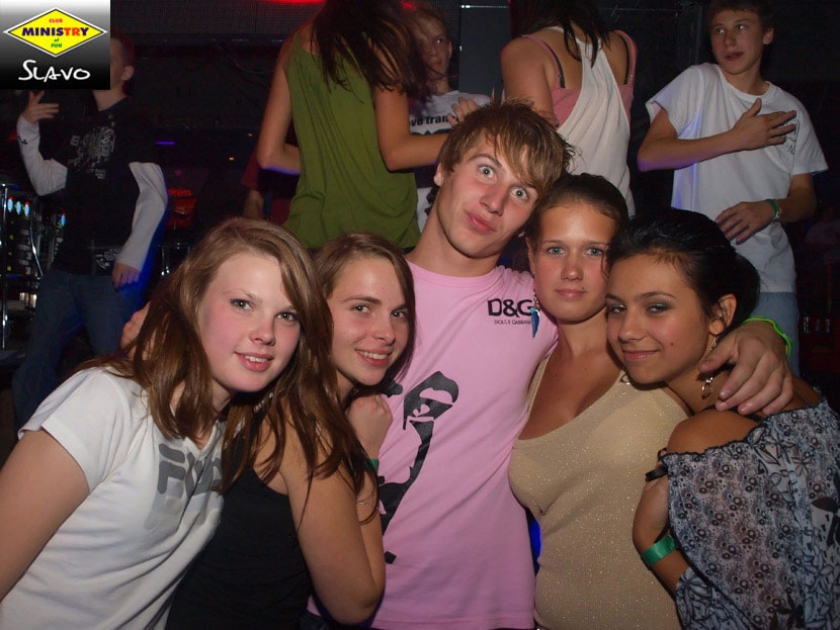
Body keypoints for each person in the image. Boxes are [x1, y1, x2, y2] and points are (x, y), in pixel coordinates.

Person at [304, 101, 792, 630]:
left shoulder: (539, 302)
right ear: (442, 167)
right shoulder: (364, 291)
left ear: (528, 229)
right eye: (485, 170)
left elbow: (671, 320)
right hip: (353, 592)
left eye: (521, 193)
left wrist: (764, 331)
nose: (495, 202)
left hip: (492, 609)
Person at [0, 218, 317, 628]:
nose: (266, 333)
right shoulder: (108, 402)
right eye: (242, 304)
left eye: (287, 315)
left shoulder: (229, 432)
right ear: (193, 302)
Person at [165, 232, 415, 628]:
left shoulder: (277, 394)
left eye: (399, 313)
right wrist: (367, 458)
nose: (388, 332)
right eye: (362, 308)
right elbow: (355, 602)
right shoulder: (306, 428)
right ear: (313, 310)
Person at [606, 210, 840, 629]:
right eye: (617, 308)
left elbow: (757, 620)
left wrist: (650, 542)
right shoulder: (796, 389)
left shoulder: (704, 439)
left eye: (656, 307)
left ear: (720, 314)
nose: (626, 329)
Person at [509, 174, 682, 628]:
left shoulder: (654, 353)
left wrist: (766, 333)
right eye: (555, 249)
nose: (572, 270)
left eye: (593, 251)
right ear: (530, 255)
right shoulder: (526, 372)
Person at [637, 0, 828, 374]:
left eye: (741, 26)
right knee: (703, 389)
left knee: (777, 390)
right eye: (719, 30)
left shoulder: (791, 109)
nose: (729, 40)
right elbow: (649, 156)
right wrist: (736, 138)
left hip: (770, 276)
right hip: (701, 274)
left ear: (767, 34)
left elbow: (805, 199)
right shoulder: (699, 81)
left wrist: (771, 208)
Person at [11, 29, 168, 429]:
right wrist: (27, 130)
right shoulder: (84, 126)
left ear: (126, 71)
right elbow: (46, 182)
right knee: (34, 365)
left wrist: (132, 256)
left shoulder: (133, 119)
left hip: (108, 273)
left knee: (117, 369)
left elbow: (154, 193)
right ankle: (37, 446)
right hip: (66, 268)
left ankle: (128, 447)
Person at [256, 0, 477, 250]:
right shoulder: (384, 36)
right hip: (379, 233)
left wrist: (334, 164)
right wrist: (478, 139)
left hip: (312, 235)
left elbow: (269, 155)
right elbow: (396, 153)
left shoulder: (293, 45)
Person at [501, 0, 637, 213]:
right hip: (617, 211)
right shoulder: (622, 44)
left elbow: (531, 154)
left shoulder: (525, 51)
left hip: (561, 215)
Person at [405, 1, 491, 231]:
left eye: (438, 40)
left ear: (450, 48)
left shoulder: (479, 104)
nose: (432, 50)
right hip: (407, 229)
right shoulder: (397, 112)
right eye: (421, 44)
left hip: (458, 223)